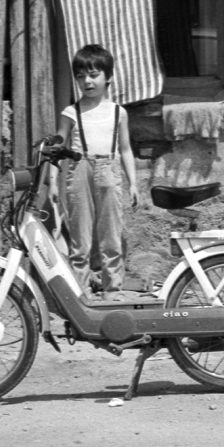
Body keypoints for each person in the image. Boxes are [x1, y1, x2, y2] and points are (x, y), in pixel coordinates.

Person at [51, 43, 139, 297]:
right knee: (80, 240)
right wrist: (54, 182)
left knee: (111, 236)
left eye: (93, 75)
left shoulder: (118, 113)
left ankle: (114, 291)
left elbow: (125, 149)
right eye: (80, 76)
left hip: (109, 171)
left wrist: (133, 183)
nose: (87, 82)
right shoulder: (71, 112)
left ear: (108, 77)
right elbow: (58, 147)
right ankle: (80, 294)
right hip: (79, 170)